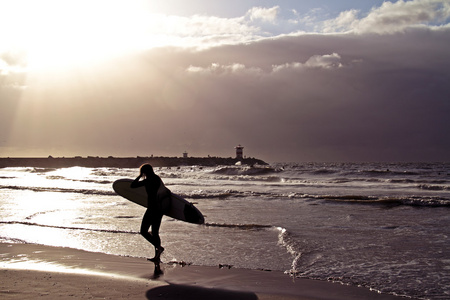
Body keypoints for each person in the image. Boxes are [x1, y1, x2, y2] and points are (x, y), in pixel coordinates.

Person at [131, 164, 168, 262]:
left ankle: (158, 248)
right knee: (155, 232)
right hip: (160, 209)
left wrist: (139, 176)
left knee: (143, 231)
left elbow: (133, 185)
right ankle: (157, 257)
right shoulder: (157, 179)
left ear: (144, 172)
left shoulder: (148, 180)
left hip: (152, 208)